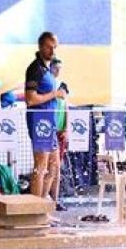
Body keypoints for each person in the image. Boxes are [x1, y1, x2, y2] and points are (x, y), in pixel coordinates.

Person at [24, 32, 67, 199]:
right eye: (49, 47)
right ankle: (35, 208)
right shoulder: (35, 69)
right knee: (40, 168)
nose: (52, 51)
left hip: (50, 122)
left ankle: (43, 205)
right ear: (40, 46)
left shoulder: (47, 68)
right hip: (39, 122)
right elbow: (30, 99)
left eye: (55, 47)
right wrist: (55, 94)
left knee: (54, 166)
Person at [49, 56, 69, 211]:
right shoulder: (47, 86)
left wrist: (66, 128)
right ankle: (45, 199)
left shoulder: (62, 86)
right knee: (49, 167)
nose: (58, 71)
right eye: (55, 68)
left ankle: (55, 200)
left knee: (58, 167)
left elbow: (66, 107)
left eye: (60, 69)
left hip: (60, 131)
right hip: (49, 130)